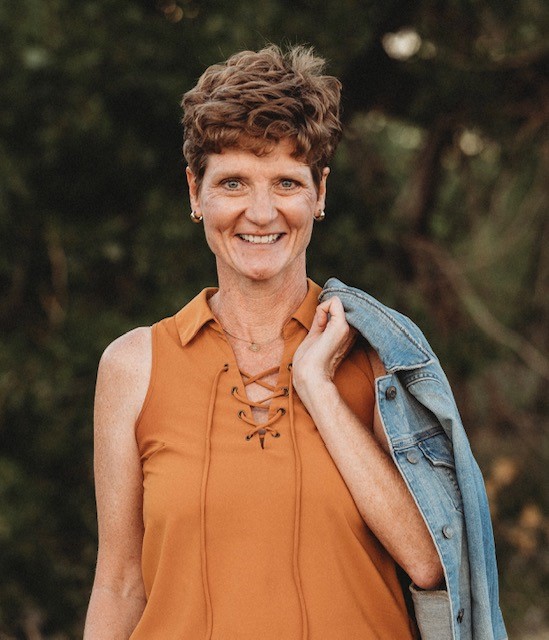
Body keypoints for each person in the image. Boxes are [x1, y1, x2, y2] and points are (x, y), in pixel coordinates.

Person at [84, 45, 506, 639]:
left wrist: (318, 387)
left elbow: (430, 562)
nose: (261, 213)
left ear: (320, 193)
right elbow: (120, 584)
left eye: (286, 182)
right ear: (195, 192)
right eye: (233, 182)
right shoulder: (134, 367)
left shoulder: (379, 356)